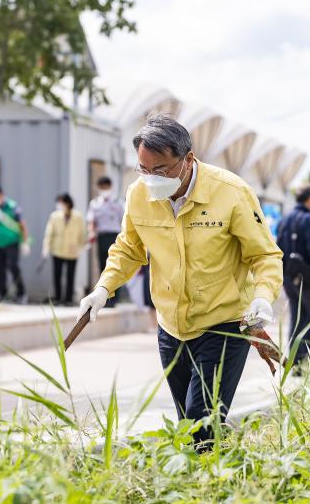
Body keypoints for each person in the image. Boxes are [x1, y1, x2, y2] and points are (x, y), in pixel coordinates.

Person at [76, 114, 282, 447]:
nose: (151, 179)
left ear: (188, 159)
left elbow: (265, 255)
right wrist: (103, 288)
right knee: (188, 426)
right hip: (171, 329)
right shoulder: (138, 195)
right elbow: (128, 249)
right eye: (143, 170)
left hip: (224, 324)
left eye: (161, 170)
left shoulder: (231, 192)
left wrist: (263, 296)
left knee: (201, 423)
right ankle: (208, 480)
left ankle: (209, 484)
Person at [276, 184, 310, 361]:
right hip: (307, 278)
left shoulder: (285, 219)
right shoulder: (309, 219)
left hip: (288, 276)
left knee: (298, 319)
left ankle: (296, 361)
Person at [0, 185, 30, 304]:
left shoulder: (13, 206)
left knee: (13, 266)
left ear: (0, 195)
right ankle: (2, 295)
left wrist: (25, 242)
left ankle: (21, 293)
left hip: (12, 243)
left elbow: (22, 225)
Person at [87, 176, 125, 307]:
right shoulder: (95, 203)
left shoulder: (118, 203)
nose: (104, 189)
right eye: (102, 187)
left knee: (115, 266)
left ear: (110, 187)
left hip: (115, 236)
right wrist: (91, 232)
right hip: (101, 237)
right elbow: (91, 221)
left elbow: (124, 220)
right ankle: (105, 298)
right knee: (103, 267)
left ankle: (115, 298)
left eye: (106, 187)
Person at [43, 193, 86, 305]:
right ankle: (58, 297)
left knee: (70, 275)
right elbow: (49, 233)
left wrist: (81, 246)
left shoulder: (78, 216)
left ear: (68, 203)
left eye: (61, 202)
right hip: (57, 249)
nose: (59, 205)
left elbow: (82, 233)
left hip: (72, 250)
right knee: (57, 274)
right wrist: (46, 247)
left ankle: (68, 299)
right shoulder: (55, 216)